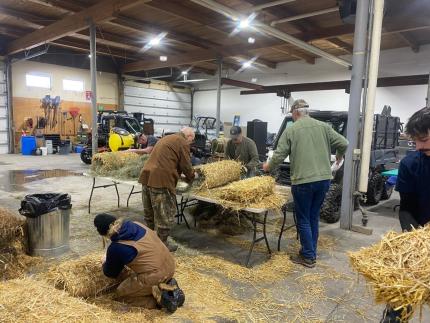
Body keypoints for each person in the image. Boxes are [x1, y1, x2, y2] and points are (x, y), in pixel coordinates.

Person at [262, 99, 348, 268]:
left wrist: (268, 166)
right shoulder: (324, 127)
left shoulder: (292, 130)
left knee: (303, 218)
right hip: (323, 180)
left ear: (295, 113)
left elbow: (279, 155)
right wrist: (339, 156)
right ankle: (310, 251)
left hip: (303, 182)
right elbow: (344, 143)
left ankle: (308, 256)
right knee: (313, 216)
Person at [381, 107, 430, 323]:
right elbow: (407, 207)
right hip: (419, 239)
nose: (419, 146)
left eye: (425, 139)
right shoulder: (411, 164)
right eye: (416, 140)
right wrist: (415, 240)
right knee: (400, 295)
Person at [93, 213, 184, 312]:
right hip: (170, 264)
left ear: (103, 234)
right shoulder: (136, 224)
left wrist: (105, 261)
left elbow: (111, 273)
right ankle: (168, 287)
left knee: (121, 295)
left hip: (156, 275)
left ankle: (163, 300)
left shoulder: (116, 247)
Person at [139, 127, 195, 251]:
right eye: (192, 140)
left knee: (150, 213)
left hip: (147, 176)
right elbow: (186, 164)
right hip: (161, 181)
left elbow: (167, 161)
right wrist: (192, 177)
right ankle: (162, 245)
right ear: (189, 136)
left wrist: (178, 174)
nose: (191, 143)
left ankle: (150, 240)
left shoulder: (167, 138)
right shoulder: (182, 142)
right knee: (164, 214)